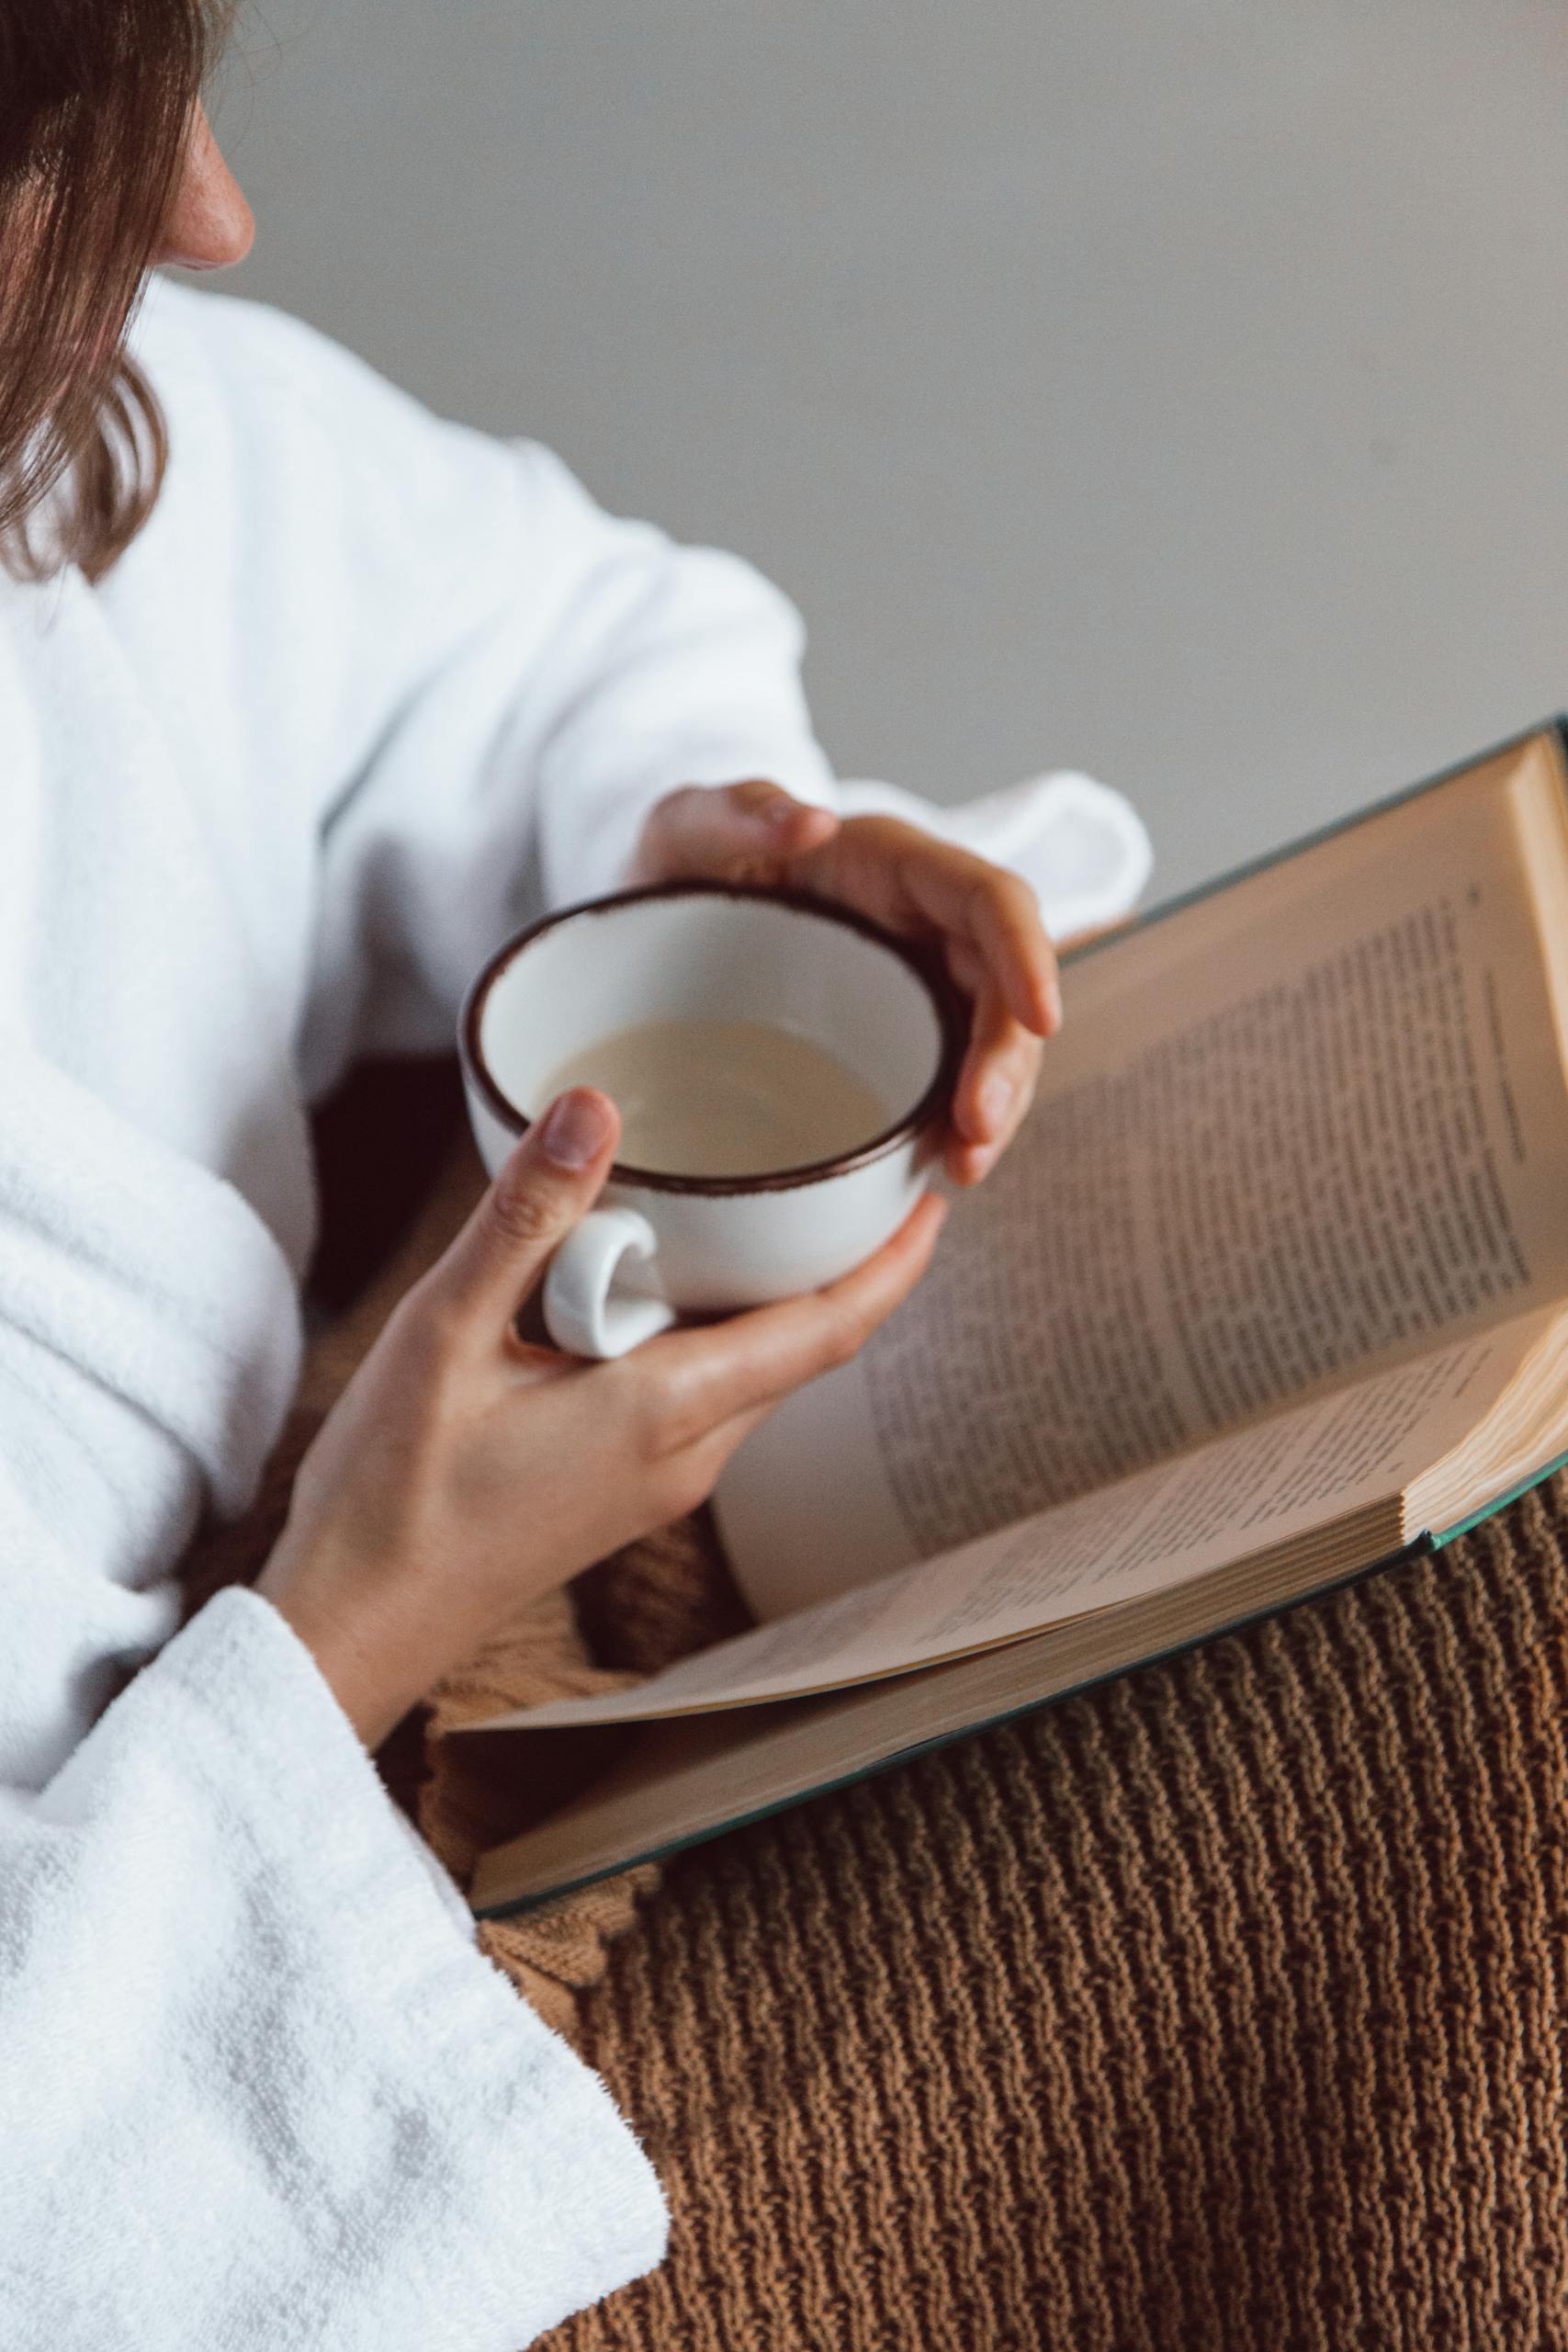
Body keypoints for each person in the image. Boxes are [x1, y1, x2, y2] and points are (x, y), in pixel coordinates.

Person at [0, 5, 1127, 2346]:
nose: (208, 215)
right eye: (52, 140)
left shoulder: (59, 445)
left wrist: (686, 837)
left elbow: (518, 624)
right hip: (210, 2028)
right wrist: (350, 1628)